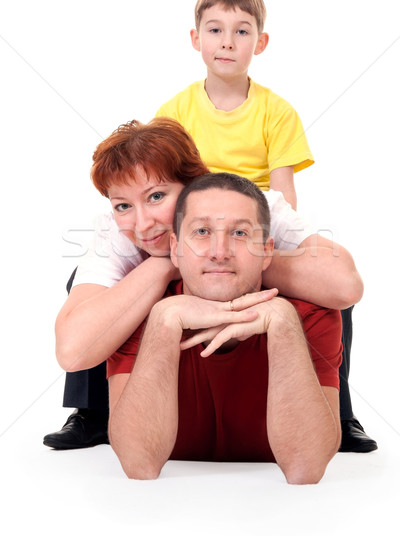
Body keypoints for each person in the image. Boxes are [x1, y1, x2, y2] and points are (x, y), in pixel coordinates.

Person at [44, 118, 362, 451]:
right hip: (158, 336)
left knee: (323, 296)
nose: (142, 223)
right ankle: (93, 413)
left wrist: (228, 261)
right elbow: (72, 350)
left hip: (253, 316)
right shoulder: (115, 234)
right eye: (123, 205)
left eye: (156, 197)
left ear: (195, 183)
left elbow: (344, 286)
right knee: (87, 288)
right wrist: (166, 264)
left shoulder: (253, 205)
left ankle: (337, 413)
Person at [155, 0, 376, 452]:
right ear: (196, 38)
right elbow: (166, 185)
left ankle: (341, 411)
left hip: (257, 221)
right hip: (196, 224)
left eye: (241, 31)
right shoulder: (174, 111)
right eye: (215, 30)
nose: (228, 42)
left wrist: (261, 243)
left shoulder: (277, 111)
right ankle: (90, 410)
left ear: (261, 42)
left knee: (334, 292)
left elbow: (283, 190)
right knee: (88, 281)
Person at [108, 172, 343, 483]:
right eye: (202, 231)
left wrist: (284, 323)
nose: (220, 252)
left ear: (267, 251)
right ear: (176, 249)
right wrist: (164, 319)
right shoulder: (137, 313)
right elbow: (139, 465)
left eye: (240, 234)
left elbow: (306, 469)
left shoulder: (310, 315)